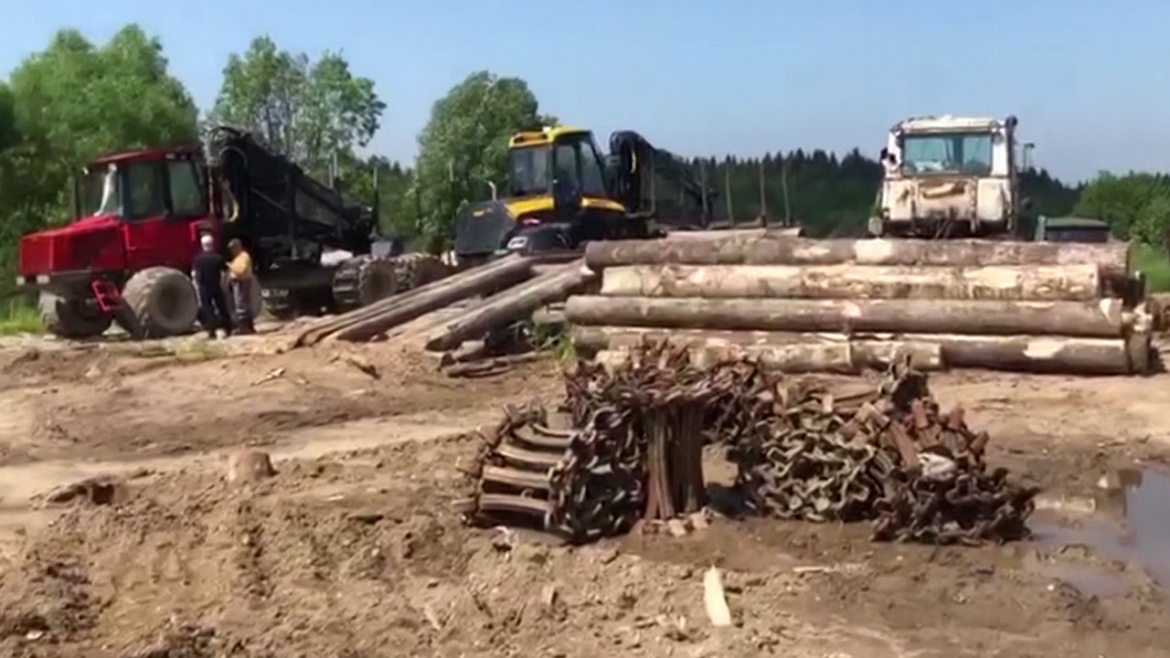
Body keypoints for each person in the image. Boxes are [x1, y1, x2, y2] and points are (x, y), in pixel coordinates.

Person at [191, 234, 233, 339]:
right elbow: (226, 272)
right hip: (216, 285)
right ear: (212, 244)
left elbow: (194, 274)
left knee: (208, 309)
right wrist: (224, 283)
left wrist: (197, 283)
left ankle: (211, 331)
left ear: (202, 245)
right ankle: (228, 327)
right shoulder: (218, 258)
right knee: (221, 306)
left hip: (204, 287)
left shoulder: (198, 259)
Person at [227, 238, 255, 335]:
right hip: (240, 282)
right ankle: (248, 325)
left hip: (242, 282)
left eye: (233, 248)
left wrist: (231, 266)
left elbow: (241, 270)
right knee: (244, 303)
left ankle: (244, 327)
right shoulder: (238, 257)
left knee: (241, 304)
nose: (232, 251)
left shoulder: (243, 257)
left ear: (238, 247)